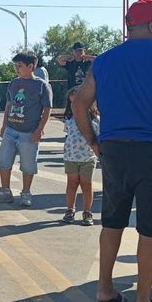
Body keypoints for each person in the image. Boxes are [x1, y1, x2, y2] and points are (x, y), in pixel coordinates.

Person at [72, 0, 152, 302]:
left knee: (112, 222)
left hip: (114, 151)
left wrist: (94, 142)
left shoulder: (105, 61)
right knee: (151, 229)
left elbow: (80, 104)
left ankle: (105, 290)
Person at [0, 52, 53, 207]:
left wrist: (40, 129)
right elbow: (9, 104)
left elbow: (47, 108)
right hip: (11, 129)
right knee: (4, 161)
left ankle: (26, 192)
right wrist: (4, 125)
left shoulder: (41, 85)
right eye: (15, 65)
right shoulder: (14, 83)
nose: (17, 68)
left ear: (31, 66)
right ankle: (5, 191)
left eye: (20, 65)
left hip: (29, 131)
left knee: (28, 164)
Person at [61, 87, 99, 226]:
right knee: (71, 183)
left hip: (87, 157)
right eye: (71, 103)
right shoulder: (69, 119)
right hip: (71, 156)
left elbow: (97, 138)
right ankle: (70, 209)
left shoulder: (95, 121)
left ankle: (87, 211)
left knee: (86, 184)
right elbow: (68, 134)